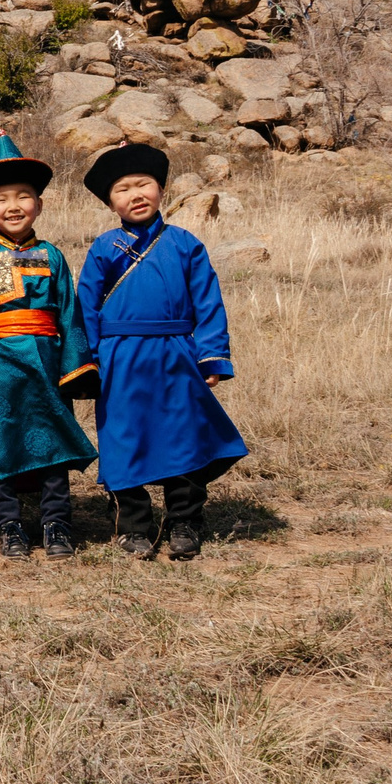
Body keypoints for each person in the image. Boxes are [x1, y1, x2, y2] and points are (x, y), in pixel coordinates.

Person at [78, 142, 248, 561]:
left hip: (177, 354)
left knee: (184, 438)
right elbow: (85, 308)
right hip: (119, 359)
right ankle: (133, 525)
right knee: (124, 438)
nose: (135, 195)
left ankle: (184, 522)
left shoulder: (186, 244)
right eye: (122, 189)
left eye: (144, 184)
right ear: (110, 201)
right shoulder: (103, 249)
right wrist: (88, 359)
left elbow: (208, 302)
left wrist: (211, 355)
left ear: (161, 189)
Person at [0, 136, 99, 559]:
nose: (13, 207)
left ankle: (56, 523)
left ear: (40, 205)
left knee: (50, 442)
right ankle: (8, 525)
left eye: (24, 197)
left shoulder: (52, 255)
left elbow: (70, 313)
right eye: (1, 199)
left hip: (46, 363)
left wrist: (76, 366)